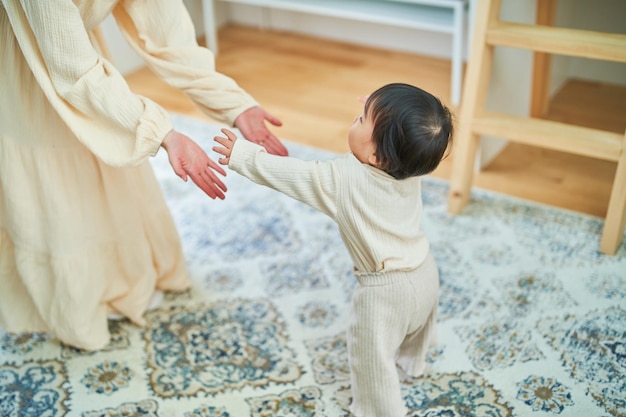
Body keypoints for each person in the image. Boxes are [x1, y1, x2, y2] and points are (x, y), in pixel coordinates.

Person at [0, 0, 288, 351]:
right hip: (23, 59)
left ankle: (116, 276)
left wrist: (232, 102)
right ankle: (71, 300)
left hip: (77, 51)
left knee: (104, 152)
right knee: (52, 167)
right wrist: (161, 133)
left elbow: (164, 29)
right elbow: (75, 71)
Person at [213, 82, 454, 417]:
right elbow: (408, 134)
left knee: (370, 354)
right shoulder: (410, 165)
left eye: (361, 119)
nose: (354, 119)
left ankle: (379, 410)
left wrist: (242, 155)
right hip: (425, 271)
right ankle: (414, 359)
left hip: (385, 292)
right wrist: (386, 112)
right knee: (413, 328)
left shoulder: (341, 180)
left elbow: (291, 174)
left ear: (376, 156)